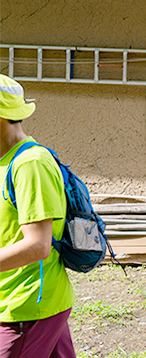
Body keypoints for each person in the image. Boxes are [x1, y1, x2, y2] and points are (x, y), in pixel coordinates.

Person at [0, 74, 76, 358]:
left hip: (27, 306)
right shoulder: (5, 162)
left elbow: (38, 245)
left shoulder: (30, 164)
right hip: (23, 300)